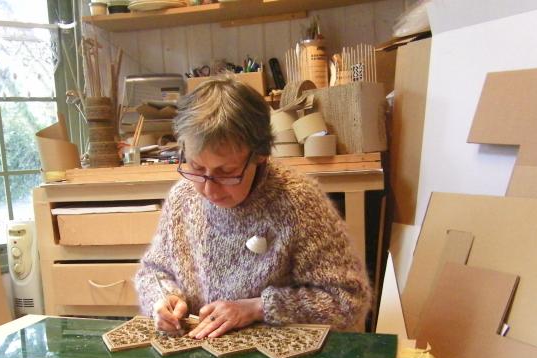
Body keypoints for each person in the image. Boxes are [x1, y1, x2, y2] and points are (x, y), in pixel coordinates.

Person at [135, 77, 371, 340]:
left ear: (260, 156)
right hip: (199, 352)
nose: (210, 190)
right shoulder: (183, 197)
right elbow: (153, 272)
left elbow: (348, 301)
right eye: (196, 168)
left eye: (227, 172)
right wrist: (164, 298)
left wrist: (259, 308)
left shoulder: (298, 202)